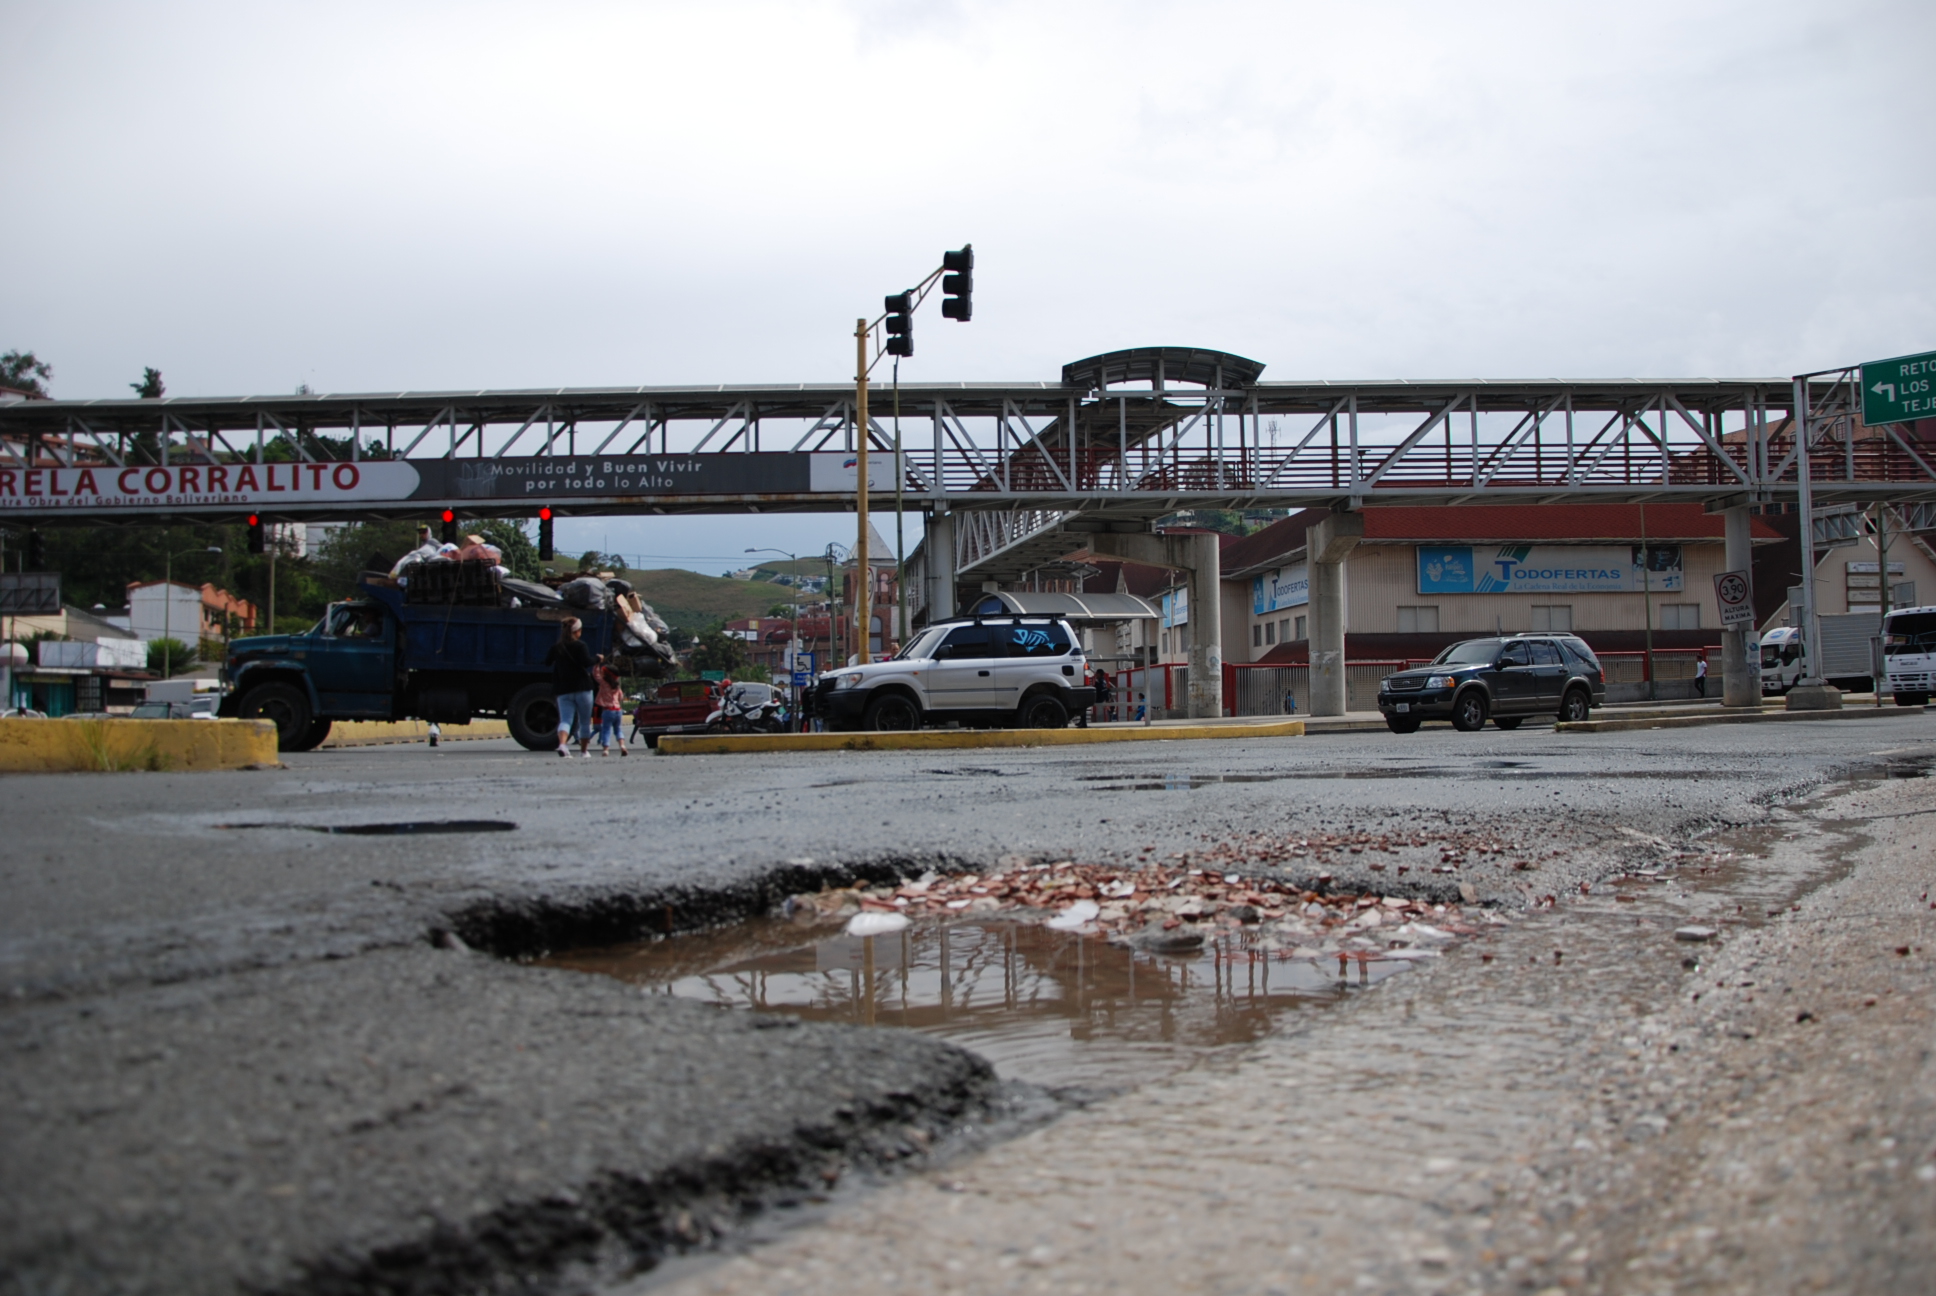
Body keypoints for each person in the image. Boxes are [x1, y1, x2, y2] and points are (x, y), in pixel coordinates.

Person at [543, 616, 596, 757]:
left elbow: (547, 662)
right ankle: (584, 751)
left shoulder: (557, 647)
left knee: (566, 720)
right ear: (577, 631)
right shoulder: (581, 646)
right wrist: (598, 659)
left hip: (564, 690)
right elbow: (586, 662)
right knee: (585, 722)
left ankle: (562, 744)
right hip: (583, 688)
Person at [593, 658, 628, 756]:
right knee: (618, 730)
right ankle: (622, 746)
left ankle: (606, 750)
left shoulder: (604, 683)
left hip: (608, 710)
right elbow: (621, 697)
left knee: (606, 730)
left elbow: (596, 675)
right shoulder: (617, 685)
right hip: (618, 710)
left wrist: (597, 664)